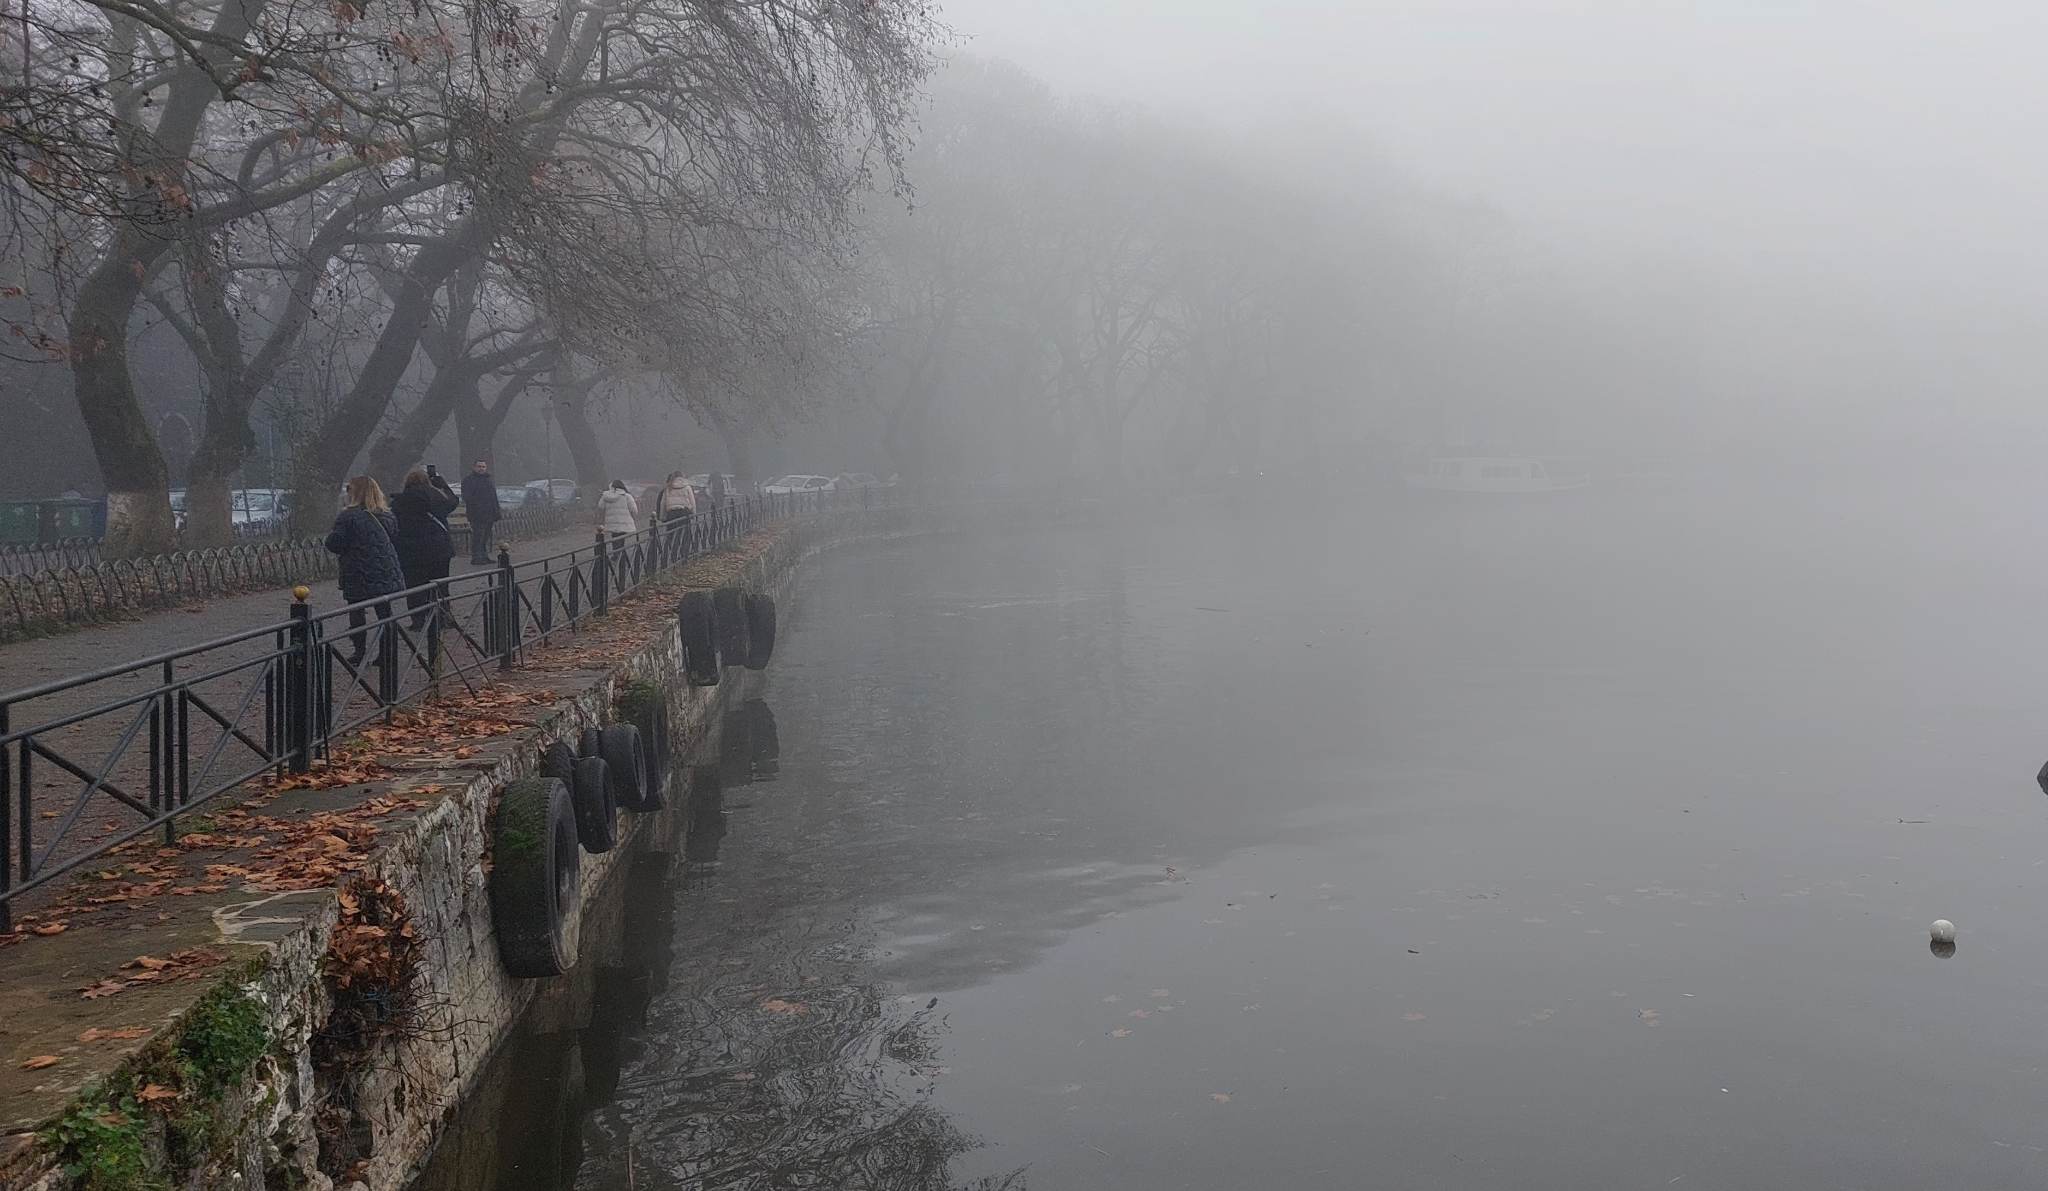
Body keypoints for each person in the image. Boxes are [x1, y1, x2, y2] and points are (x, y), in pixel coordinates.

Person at [325, 475, 404, 666]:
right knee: (385, 612)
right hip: (384, 570)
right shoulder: (387, 515)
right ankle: (388, 652)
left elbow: (335, 543)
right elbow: (393, 538)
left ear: (354, 493)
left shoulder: (348, 516)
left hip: (357, 570)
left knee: (357, 612)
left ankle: (359, 652)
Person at [391, 466, 459, 630]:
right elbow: (453, 502)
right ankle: (442, 616)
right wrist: (443, 485)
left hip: (411, 551)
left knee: (415, 586)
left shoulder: (400, 501)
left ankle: (418, 620)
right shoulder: (436, 497)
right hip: (439, 549)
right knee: (441, 584)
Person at [460, 460, 502, 565]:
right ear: (474, 467)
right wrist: (477, 506)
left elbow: (493, 497)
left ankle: (484, 555)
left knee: (485, 536)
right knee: (478, 536)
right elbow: (467, 497)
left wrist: (496, 511)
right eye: (479, 466)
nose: (481, 468)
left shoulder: (488, 480)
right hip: (477, 514)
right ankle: (476, 557)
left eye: (483, 466)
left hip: (489, 513)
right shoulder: (469, 480)